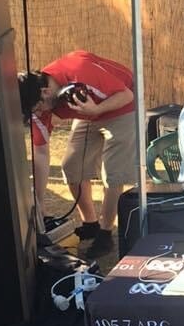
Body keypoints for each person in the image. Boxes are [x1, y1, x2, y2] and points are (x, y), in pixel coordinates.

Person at [18, 50, 135, 258]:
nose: (37, 114)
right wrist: (40, 201)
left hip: (122, 106)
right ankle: (91, 224)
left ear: (45, 92)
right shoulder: (38, 105)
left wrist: (96, 111)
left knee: (113, 174)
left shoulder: (80, 72)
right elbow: (41, 153)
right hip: (88, 110)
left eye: (37, 108)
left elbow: (127, 94)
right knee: (72, 166)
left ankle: (106, 234)